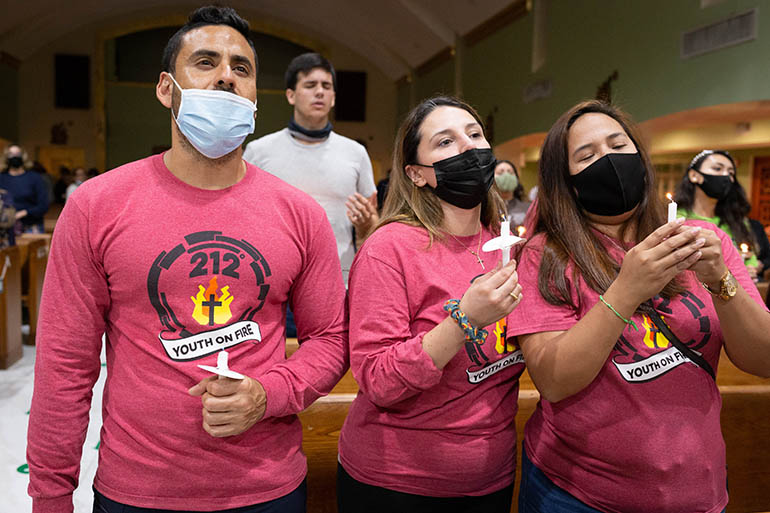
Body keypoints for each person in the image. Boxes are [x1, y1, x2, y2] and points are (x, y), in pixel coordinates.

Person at [26, 6, 348, 513]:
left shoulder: (300, 215)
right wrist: (50, 496)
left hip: (267, 488)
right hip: (139, 489)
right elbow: (65, 365)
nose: (225, 75)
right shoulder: (97, 205)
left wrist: (269, 393)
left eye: (241, 69)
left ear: (254, 99)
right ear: (165, 89)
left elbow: (331, 339)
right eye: (205, 61)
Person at [506, 100, 770, 513]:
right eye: (587, 155)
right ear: (569, 181)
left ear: (640, 158)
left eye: (618, 144)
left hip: (695, 487)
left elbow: (763, 358)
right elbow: (554, 381)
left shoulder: (701, 239)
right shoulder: (545, 254)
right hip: (578, 494)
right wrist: (627, 290)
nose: (609, 160)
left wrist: (720, 279)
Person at [336, 96, 525, 513]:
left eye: (475, 135)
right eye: (445, 142)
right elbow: (378, 381)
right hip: (398, 482)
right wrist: (464, 320)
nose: (469, 147)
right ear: (417, 174)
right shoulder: (390, 247)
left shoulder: (508, 244)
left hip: (490, 479)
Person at [243, 52, 378, 286]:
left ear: (334, 97)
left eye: (326, 86)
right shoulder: (259, 151)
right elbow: (242, 216)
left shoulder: (355, 152)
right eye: (310, 85)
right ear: (291, 95)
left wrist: (367, 223)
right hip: (275, 283)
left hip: (338, 282)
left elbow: (373, 223)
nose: (319, 92)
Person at [674, 149, 762, 279]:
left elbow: (750, 257)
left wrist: (751, 269)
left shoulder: (737, 221)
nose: (726, 176)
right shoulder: (677, 219)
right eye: (717, 169)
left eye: (731, 173)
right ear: (694, 175)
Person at [0, 144, 49, 233]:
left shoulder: (34, 178)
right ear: (6, 157)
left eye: (17, 154)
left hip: (31, 227)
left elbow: (43, 205)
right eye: (11, 154)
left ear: (23, 156)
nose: (14, 157)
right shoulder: (1, 178)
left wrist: (22, 213)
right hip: (6, 228)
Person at [494, 159, 530, 226]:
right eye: (500, 173)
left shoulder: (528, 209)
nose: (506, 175)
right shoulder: (486, 211)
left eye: (510, 172)